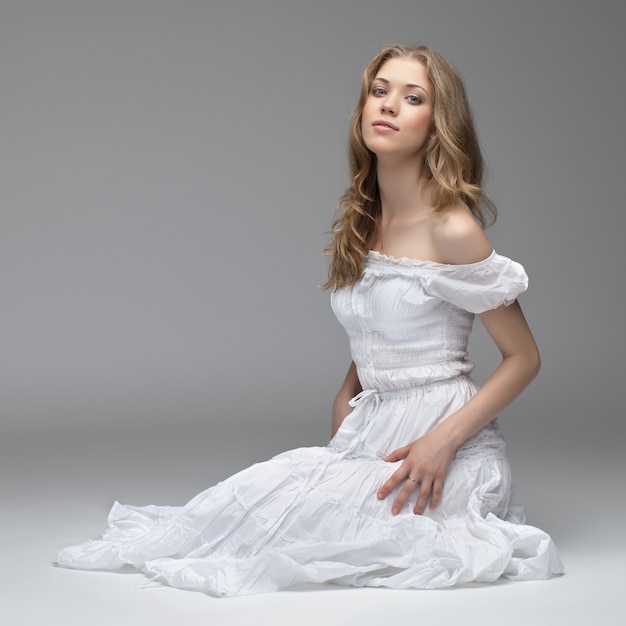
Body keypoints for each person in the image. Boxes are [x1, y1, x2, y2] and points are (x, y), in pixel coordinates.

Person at [55, 45, 564, 596]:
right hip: (375, 425)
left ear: (438, 124)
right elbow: (382, 326)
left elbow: (524, 358)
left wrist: (440, 442)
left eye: (412, 97)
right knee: (250, 505)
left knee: (304, 533)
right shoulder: (366, 218)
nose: (389, 105)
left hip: (446, 437)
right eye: (380, 90)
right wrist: (345, 391)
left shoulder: (452, 226)